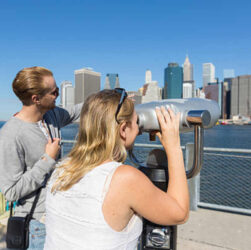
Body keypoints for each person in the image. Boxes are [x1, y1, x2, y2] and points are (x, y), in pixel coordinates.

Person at [44, 89, 189, 250]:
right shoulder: (124, 178)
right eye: (136, 122)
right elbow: (180, 213)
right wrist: (174, 146)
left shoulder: (62, 167)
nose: (138, 130)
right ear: (123, 129)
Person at [0, 66, 82, 249]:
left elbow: (78, 110)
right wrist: (47, 159)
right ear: (36, 99)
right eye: (54, 92)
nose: (58, 95)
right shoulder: (10, 135)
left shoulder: (51, 115)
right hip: (37, 224)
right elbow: (11, 191)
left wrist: (111, 98)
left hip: (58, 215)